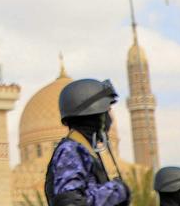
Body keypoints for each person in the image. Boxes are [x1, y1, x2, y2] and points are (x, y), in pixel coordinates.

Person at [44, 78, 131, 206]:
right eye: (106, 112)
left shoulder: (83, 150)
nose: (109, 119)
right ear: (95, 115)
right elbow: (70, 202)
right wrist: (115, 191)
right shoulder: (71, 150)